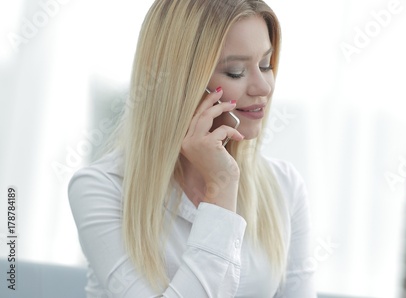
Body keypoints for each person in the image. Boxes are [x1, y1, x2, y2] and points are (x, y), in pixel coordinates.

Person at [68, 0, 316, 297]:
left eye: (265, 64)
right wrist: (221, 187)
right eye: (236, 71)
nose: (263, 87)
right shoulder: (101, 189)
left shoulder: (284, 186)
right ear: (180, 84)